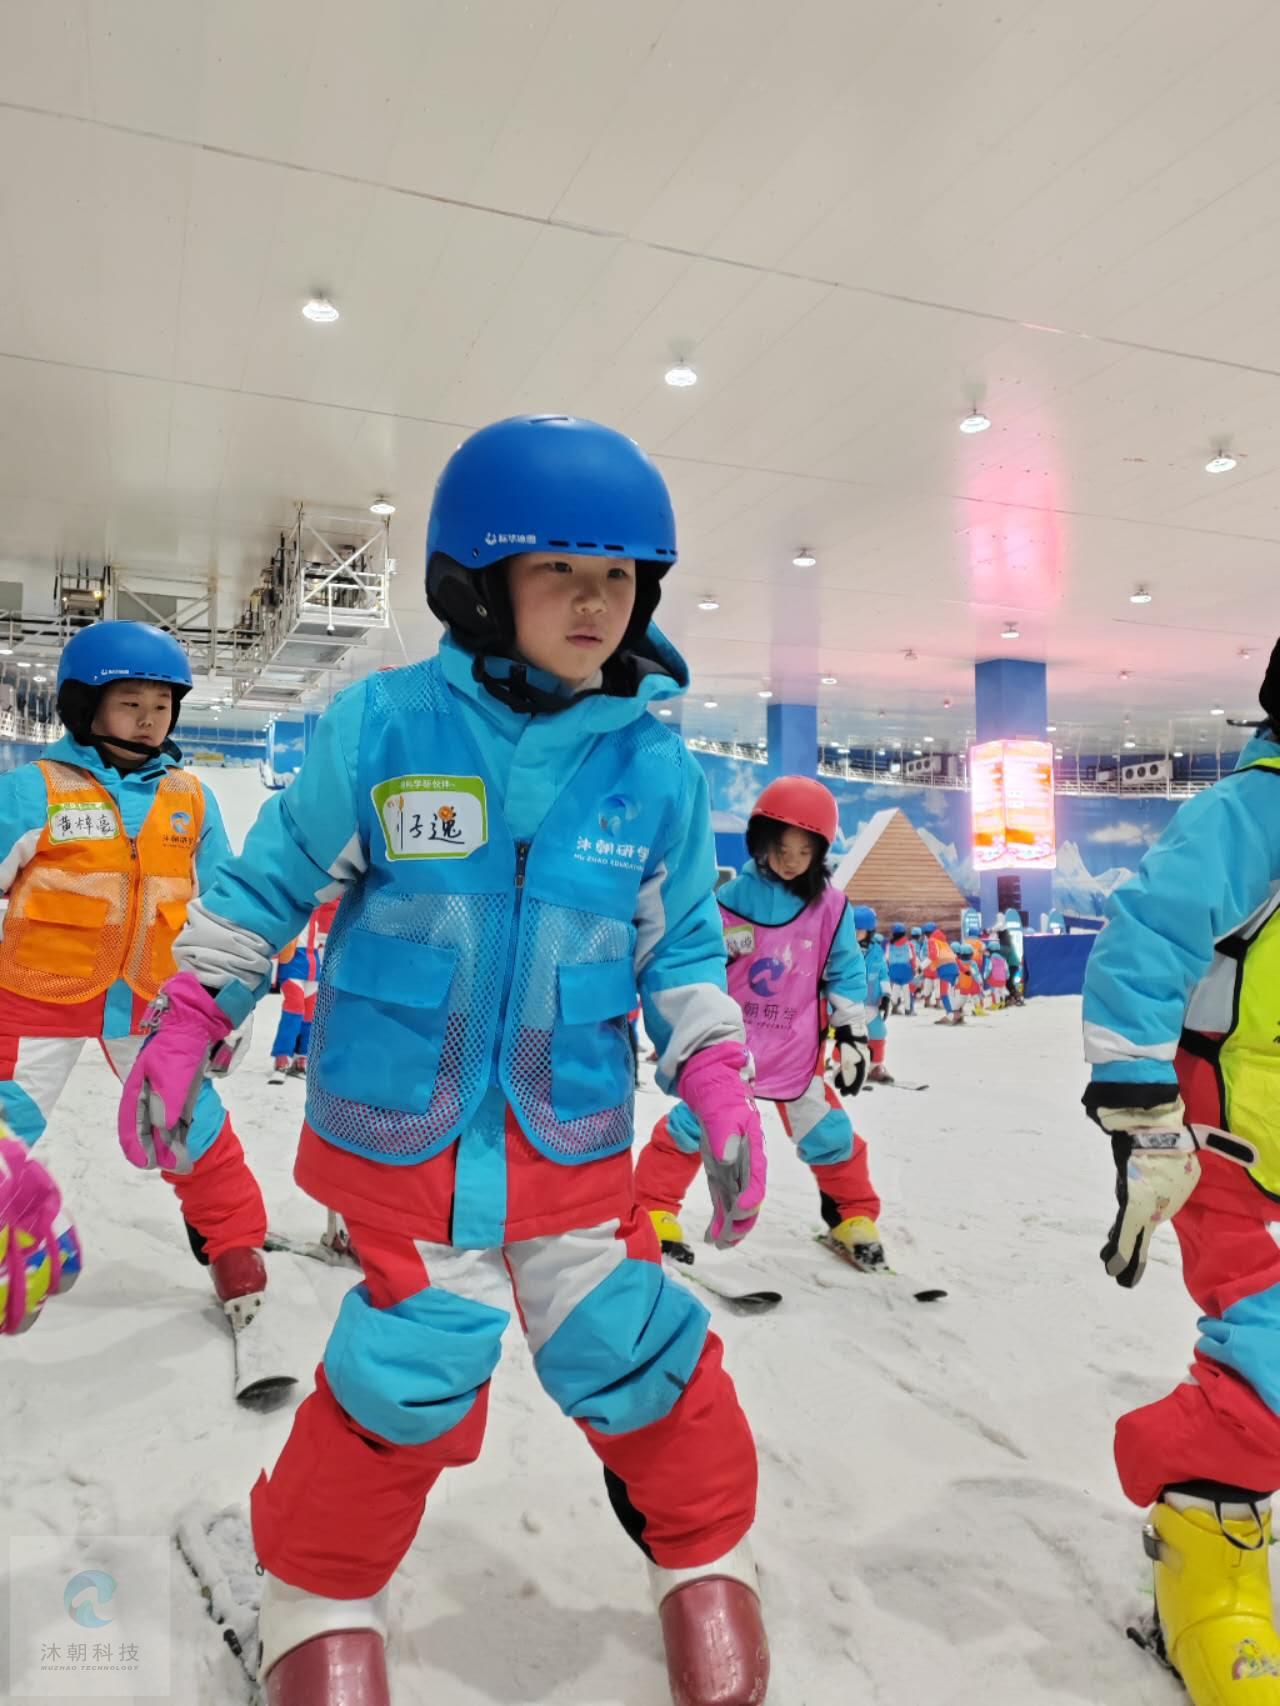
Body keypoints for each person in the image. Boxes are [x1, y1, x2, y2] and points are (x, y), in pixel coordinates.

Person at [119, 416, 771, 1706]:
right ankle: (313, 1591)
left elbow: (683, 946)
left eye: (618, 574)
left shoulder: (653, 767)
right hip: (406, 1136)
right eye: (557, 569)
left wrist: (712, 1076)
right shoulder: (386, 727)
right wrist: (191, 1012)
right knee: (411, 1367)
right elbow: (267, 883)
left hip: (570, 1134)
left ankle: (707, 1554)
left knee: (638, 1343)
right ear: (477, 581)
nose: (594, 601)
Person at [1080, 638, 1280, 1702]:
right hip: (1237, 1160)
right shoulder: (1251, 815)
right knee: (1272, 1368)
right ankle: (1199, 1527)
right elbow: (1148, 936)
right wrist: (1138, 1102)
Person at [0, 621, 268, 1328]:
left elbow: (227, 907)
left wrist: (228, 1002)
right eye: (130, 703)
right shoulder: (33, 791)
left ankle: (233, 1242)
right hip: (36, 996)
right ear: (85, 707)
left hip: (151, 1002)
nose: (150, 719)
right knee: (3, 1125)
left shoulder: (191, 799)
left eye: (162, 704)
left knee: (188, 1121)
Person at [635, 775, 885, 1273]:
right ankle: (653, 1209)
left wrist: (852, 1034)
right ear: (760, 842)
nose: (791, 860)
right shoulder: (726, 901)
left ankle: (853, 1217)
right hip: (732, 1050)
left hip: (794, 1050)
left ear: (820, 852)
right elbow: (696, 962)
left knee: (829, 1132)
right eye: (781, 848)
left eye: (804, 851)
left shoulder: (830, 907)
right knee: (693, 1128)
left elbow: (845, 971)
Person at [268, 900, 338, 1084]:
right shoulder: (292, 901)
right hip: (292, 960)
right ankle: (282, 1058)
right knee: (294, 1007)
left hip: (313, 960)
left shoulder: (323, 902)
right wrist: (272, 972)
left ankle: (302, 1057)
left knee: (310, 1013)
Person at [854, 906, 893, 1083]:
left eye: (860, 931)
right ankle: (842, 1065)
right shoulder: (845, 949)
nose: (856, 934)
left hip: (871, 1002)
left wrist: (886, 996)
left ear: (869, 932)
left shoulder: (876, 951)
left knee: (878, 1032)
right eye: (853, 930)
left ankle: (875, 1066)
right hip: (850, 1002)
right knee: (850, 1035)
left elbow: (883, 974)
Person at [886, 922, 916, 1015]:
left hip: (893, 969)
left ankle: (893, 1007)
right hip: (905, 969)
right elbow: (912, 958)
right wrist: (914, 968)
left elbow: (887, 958)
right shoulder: (909, 944)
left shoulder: (889, 945)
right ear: (904, 933)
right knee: (907, 989)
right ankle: (908, 1010)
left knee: (896, 987)